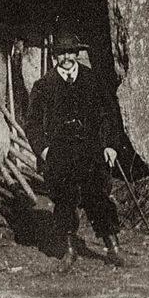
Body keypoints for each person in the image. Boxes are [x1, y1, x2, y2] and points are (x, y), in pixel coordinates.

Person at [26, 31, 131, 268]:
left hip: (91, 151)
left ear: (77, 53)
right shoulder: (43, 86)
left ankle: (113, 247)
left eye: (70, 52)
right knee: (64, 200)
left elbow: (109, 115)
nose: (67, 57)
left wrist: (110, 146)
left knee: (98, 197)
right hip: (60, 153)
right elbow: (32, 124)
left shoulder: (93, 80)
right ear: (55, 56)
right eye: (61, 53)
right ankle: (69, 250)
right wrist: (44, 151)